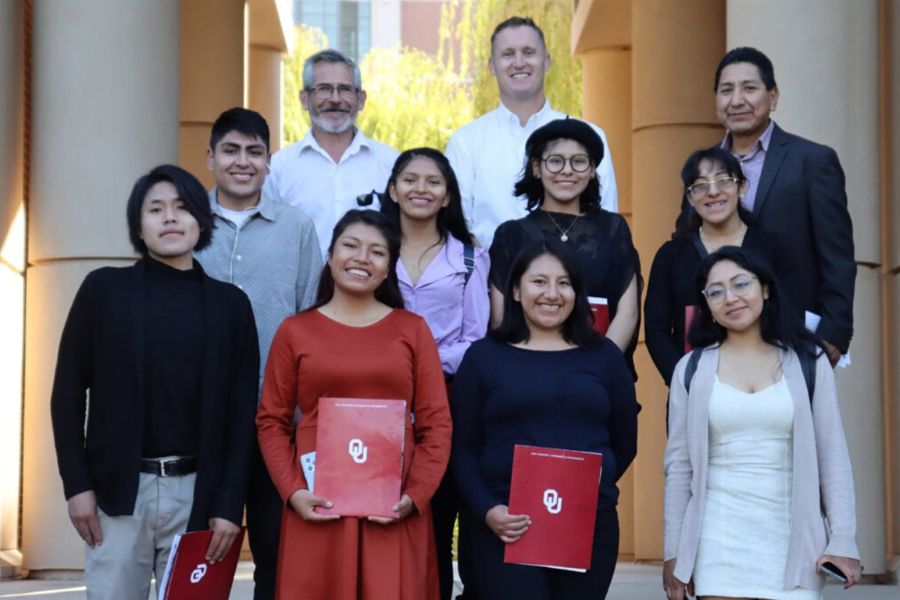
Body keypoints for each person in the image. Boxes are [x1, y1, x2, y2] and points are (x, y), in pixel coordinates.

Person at [50, 165, 260, 600]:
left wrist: (228, 505)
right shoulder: (102, 291)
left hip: (198, 495)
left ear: (201, 220)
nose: (170, 218)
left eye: (182, 208)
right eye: (156, 209)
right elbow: (68, 395)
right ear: (138, 226)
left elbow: (242, 417)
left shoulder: (231, 306)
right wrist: (77, 486)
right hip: (118, 492)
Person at [256, 210, 452, 600]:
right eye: (350, 245)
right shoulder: (295, 330)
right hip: (317, 502)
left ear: (388, 268)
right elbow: (271, 421)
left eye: (377, 252)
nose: (362, 258)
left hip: (394, 503)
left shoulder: (412, 330)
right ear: (330, 256)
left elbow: (436, 423)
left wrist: (416, 495)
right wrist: (292, 491)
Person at [663, 246, 861, 600]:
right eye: (716, 291)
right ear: (706, 304)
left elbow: (832, 455)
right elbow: (679, 468)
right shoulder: (690, 370)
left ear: (765, 289)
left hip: (793, 540)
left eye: (741, 284)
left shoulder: (808, 361)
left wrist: (843, 538)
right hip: (717, 542)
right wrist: (675, 551)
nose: (731, 298)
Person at [451, 238, 638, 599]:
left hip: (584, 523)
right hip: (503, 524)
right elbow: (463, 450)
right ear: (516, 291)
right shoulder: (483, 358)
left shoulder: (605, 358)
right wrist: (488, 510)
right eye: (539, 281)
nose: (552, 293)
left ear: (577, 292)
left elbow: (624, 442)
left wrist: (593, 487)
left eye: (564, 282)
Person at [194, 107, 321, 600]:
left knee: (279, 552)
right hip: (197, 420)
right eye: (230, 150)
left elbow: (311, 319)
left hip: (278, 420)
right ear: (211, 157)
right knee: (199, 554)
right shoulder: (184, 223)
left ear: (270, 161)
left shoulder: (297, 228)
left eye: (254, 152)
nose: (242, 162)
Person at [679, 47, 856, 366]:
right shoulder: (700, 171)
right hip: (715, 340)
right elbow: (688, 247)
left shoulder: (812, 161)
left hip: (794, 335)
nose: (736, 100)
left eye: (749, 88)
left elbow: (837, 256)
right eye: (726, 90)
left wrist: (834, 334)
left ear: (773, 97)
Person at [380, 147, 490, 600]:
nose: (420, 189)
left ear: (447, 196)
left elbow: (478, 339)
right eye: (410, 179)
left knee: (439, 520)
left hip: (448, 401)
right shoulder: (374, 250)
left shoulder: (469, 259)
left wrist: (424, 362)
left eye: (433, 182)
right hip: (380, 403)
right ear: (393, 189)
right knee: (385, 517)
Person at [446, 16, 618, 248]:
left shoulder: (588, 136)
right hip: (489, 278)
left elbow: (606, 220)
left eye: (528, 52)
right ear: (491, 66)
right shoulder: (466, 141)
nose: (519, 62)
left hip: (576, 278)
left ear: (547, 61)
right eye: (507, 54)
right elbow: (457, 225)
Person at [489, 118, 640, 370]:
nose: (567, 171)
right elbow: (500, 315)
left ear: (592, 170)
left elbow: (628, 312)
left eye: (579, 162)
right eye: (555, 161)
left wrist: (601, 368)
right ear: (536, 168)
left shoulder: (614, 229)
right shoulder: (510, 235)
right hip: (527, 370)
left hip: (600, 374)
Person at [645, 145, 793, 387]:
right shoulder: (671, 255)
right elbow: (657, 330)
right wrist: (686, 383)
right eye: (700, 185)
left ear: (741, 187)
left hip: (769, 384)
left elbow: (789, 314)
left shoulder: (774, 249)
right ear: (690, 197)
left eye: (723, 181)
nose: (713, 192)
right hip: (694, 387)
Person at [265, 48, 399, 257]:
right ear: (304, 99)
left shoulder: (391, 163)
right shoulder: (279, 168)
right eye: (324, 89)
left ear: (361, 99)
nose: (335, 99)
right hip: (303, 289)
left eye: (345, 89)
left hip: (374, 287)